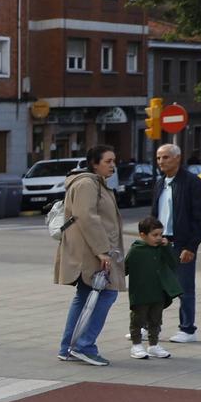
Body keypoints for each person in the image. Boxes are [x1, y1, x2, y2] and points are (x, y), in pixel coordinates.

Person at [56, 144, 125, 366]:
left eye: (114, 161)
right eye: (108, 161)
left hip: (90, 252)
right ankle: (83, 345)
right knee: (107, 294)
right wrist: (102, 251)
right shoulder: (87, 184)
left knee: (84, 297)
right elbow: (87, 217)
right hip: (91, 254)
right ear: (95, 163)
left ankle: (68, 346)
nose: (113, 165)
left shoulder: (95, 184)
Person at [151, 143, 201, 343]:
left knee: (184, 288)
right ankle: (149, 326)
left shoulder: (192, 183)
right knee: (153, 287)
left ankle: (187, 329)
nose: (161, 162)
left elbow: (199, 218)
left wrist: (191, 246)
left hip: (181, 243)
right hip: (159, 243)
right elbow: (154, 214)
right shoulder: (160, 183)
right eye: (159, 158)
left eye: (165, 157)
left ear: (177, 158)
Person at [125, 216, 181, 359]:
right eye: (154, 235)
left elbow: (173, 263)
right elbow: (124, 268)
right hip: (141, 293)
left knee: (156, 320)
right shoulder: (136, 250)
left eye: (160, 235)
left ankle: (153, 345)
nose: (158, 238)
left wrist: (167, 246)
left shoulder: (161, 249)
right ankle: (136, 345)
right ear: (143, 235)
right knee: (138, 319)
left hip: (158, 292)